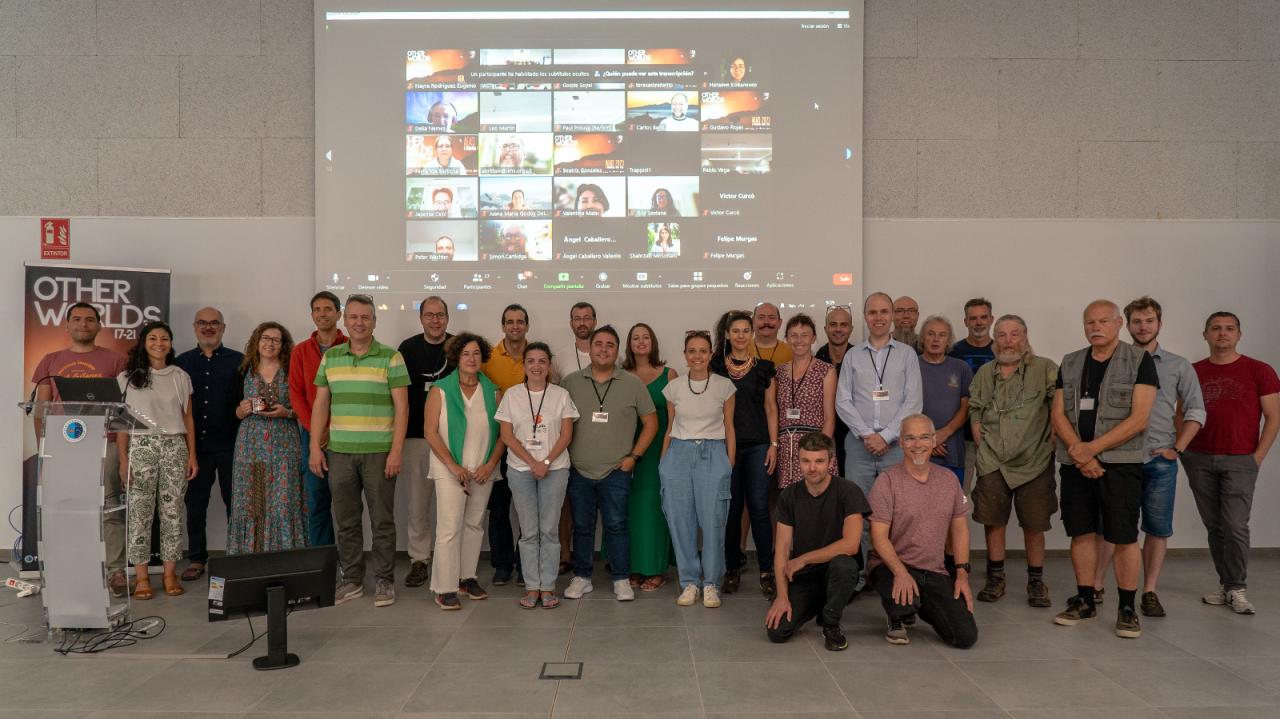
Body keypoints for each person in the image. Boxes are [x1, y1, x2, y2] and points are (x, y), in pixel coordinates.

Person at [1050, 300, 1157, 639]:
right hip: (1075, 465)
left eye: (1102, 321)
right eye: (1089, 322)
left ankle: (1127, 607)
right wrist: (1081, 455)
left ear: (1118, 323)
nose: (1095, 327)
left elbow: (1139, 419)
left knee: (1123, 535)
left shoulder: (1139, 361)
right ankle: (1084, 600)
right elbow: (1058, 414)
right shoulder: (1070, 362)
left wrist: (1091, 450)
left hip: (1120, 465)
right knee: (1080, 532)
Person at [1092, 297, 1205, 616]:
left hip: (1159, 460)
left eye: (1149, 321)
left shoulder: (1178, 365)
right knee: (1110, 526)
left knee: (1157, 528)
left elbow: (1196, 409)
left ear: (1159, 323)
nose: (1143, 326)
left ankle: (1150, 591)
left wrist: (1177, 448)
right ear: (1127, 325)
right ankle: (1097, 584)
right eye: (1137, 321)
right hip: (1118, 458)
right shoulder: (1112, 360)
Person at [308, 295, 409, 608]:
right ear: (344, 321)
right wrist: (314, 447)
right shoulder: (332, 358)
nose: (359, 322)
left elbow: (402, 408)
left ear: (374, 321)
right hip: (339, 452)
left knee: (382, 520)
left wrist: (396, 452)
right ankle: (352, 579)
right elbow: (321, 404)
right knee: (347, 520)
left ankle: (384, 580)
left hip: (379, 453)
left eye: (365, 317)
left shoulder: (391, 358)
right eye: (353, 317)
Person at [1183, 311, 1279, 615]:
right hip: (1198, 457)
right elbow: (1180, 411)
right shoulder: (1193, 371)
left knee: (1235, 524)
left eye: (1229, 329)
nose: (1222, 334)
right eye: (1215, 328)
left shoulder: (1259, 370)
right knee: (1215, 526)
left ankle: (1237, 587)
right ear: (1205, 334)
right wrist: (1180, 447)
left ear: (1239, 334)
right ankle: (1226, 585)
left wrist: (1258, 456)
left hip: (1241, 458)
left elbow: (1274, 416)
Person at [31, 302, 129, 596]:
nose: (83, 324)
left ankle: (115, 572)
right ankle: (70, 568)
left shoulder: (116, 361)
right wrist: (44, 451)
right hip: (64, 446)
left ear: (99, 326)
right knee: (67, 509)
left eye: (89, 320)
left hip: (106, 444)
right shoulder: (50, 360)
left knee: (110, 507)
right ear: (67, 325)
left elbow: (124, 408)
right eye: (77, 319)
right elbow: (40, 410)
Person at [561, 326, 659, 601]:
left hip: (617, 470)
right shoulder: (570, 382)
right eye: (599, 344)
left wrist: (634, 457)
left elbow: (651, 423)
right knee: (581, 526)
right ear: (589, 349)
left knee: (616, 525)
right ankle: (582, 578)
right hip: (579, 470)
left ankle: (621, 578)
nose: (604, 349)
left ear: (617, 351)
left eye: (610, 345)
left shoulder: (632, 383)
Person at [968, 315, 1059, 608]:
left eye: (1014, 334)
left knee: (1034, 523)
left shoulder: (1045, 369)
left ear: (1025, 335)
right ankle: (996, 578)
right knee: (993, 520)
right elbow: (976, 411)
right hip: (993, 459)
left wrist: (1053, 442)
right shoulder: (984, 372)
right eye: (1002, 335)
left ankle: (1036, 581)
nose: (1008, 340)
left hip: (1034, 460)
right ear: (995, 339)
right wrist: (983, 446)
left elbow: (1057, 408)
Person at [868, 414, 978, 648]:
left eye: (924, 437)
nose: (917, 445)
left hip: (933, 569)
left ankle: (917, 603)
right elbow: (878, 538)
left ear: (934, 440)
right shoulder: (887, 481)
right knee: (902, 602)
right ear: (900, 442)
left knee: (965, 637)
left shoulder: (949, 480)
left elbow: (959, 530)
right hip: (891, 565)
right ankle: (900, 612)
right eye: (910, 438)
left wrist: (961, 575)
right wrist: (901, 573)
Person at [836, 292, 923, 577]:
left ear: (893, 317)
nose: (879, 317)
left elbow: (913, 402)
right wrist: (866, 434)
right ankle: (858, 578)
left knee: (897, 514)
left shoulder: (907, 355)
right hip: (859, 447)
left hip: (896, 447)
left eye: (884, 312)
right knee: (857, 516)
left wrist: (885, 436)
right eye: (873, 312)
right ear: (865, 316)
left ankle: (896, 575)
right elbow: (843, 401)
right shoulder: (852, 356)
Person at [765, 432, 869, 650]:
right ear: (799, 462)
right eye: (806, 461)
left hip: (836, 571)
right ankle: (817, 604)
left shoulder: (848, 491)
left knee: (844, 565)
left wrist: (803, 559)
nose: (812, 468)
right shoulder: (789, 496)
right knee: (777, 631)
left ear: (831, 462)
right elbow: (782, 549)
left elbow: (851, 544)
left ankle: (830, 622)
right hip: (805, 576)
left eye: (819, 461)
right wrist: (782, 596)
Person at [117, 321, 197, 600]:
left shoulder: (180, 376)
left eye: (164, 338)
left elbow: (188, 417)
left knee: (172, 511)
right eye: (153, 338)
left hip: (174, 445)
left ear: (171, 343)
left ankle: (169, 573)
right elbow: (122, 423)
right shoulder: (128, 376)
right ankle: (141, 577)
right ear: (143, 342)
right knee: (140, 512)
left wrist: (192, 455)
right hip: (141, 445)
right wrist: (123, 458)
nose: (159, 343)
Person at [425, 333, 505, 610]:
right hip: (450, 469)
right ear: (456, 358)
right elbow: (430, 432)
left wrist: (489, 465)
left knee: (473, 525)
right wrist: (453, 466)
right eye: (466, 354)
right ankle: (444, 587)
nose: (472, 359)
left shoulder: (493, 391)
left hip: (482, 469)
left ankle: (466, 578)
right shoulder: (441, 389)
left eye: (476, 354)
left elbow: (503, 435)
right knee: (449, 528)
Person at [497, 342, 578, 609]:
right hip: (521, 470)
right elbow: (507, 436)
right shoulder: (512, 395)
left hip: (554, 469)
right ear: (524, 365)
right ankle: (532, 586)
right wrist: (533, 462)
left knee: (550, 530)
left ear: (549, 366)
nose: (536, 366)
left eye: (542, 361)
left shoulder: (561, 395)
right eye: (531, 361)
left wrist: (545, 462)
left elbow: (567, 435)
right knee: (530, 531)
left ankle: (548, 586)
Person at [711, 310, 778, 598]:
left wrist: (774, 445)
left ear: (751, 334)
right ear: (727, 334)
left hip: (759, 445)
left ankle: (767, 571)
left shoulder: (765, 368)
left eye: (745, 331)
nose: (740, 336)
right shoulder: (716, 368)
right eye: (735, 331)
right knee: (732, 511)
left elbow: (771, 408)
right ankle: (732, 569)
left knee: (760, 509)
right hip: (727, 447)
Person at [175, 307, 243, 582]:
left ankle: (236, 555)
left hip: (231, 446)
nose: (208, 328)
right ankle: (197, 558)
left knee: (235, 504)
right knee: (195, 504)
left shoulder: (239, 361)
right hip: (196, 449)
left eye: (214, 323)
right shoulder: (181, 363)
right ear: (194, 327)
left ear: (223, 328)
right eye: (202, 323)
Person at [227, 322, 306, 555]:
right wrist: (243, 409)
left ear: (283, 345)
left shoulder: (293, 370)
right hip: (250, 445)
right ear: (256, 341)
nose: (270, 343)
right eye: (265, 338)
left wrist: (288, 413)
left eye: (276, 339)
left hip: (285, 444)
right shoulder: (243, 370)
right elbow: (233, 412)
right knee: (254, 501)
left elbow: (305, 408)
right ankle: (253, 557)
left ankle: (285, 558)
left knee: (284, 501)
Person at [398, 296, 455, 589]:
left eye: (440, 315)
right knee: (418, 505)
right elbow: (398, 395)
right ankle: (419, 560)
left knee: (451, 505)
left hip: (452, 442)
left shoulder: (459, 348)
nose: (435, 320)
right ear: (421, 319)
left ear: (448, 318)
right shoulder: (407, 349)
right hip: (417, 439)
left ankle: (451, 560)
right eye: (430, 315)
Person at [289, 291, 347, 547]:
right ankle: (323, 560)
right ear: (312, 315)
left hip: (345, 434)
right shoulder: (301, 351)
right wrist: (314, 430)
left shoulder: (350, 346)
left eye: (327, 309)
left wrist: (330, 429)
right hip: (310, 436)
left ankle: (348, 563)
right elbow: (296, 393)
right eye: (317, 309)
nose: (322, 314)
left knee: (347, 503)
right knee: (316, 501)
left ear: (338, 313)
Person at [625, 322, 678, 592]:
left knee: (654, 509)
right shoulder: (621, 373)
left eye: (646, 337)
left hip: (659, 449)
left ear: (653, 341)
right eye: (636, 337)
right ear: (629, 343)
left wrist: (667, 454)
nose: (641, 342)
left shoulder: (669, 375)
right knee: (628, 510)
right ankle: (634, 567)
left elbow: (673, 420)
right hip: (625, 450)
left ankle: (655, 569)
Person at [481, 304, 531, 584]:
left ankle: (525, 565)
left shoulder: (536, 357)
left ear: (527, 325)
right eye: (509, 322)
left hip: (531, 445)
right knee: (499, 509)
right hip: (498, 442)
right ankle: (502, 564)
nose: (515, 326)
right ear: (502, 326)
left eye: (520, 321)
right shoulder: (488, 357)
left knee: (527, 509)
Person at [775, 314, 836, 489]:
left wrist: (819, 452)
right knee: (790, 504)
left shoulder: (826, 370)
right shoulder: (778, 372)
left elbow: (830, 417)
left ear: (814, 338)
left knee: (818, 501)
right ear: (786, 339)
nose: (799, 340)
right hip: (787, 447)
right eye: (793, 335)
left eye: (804, 335)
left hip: (815, 447)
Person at [917, 316, 972, 484]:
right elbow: (904, 408)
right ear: (922, 338)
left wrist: (943, 434)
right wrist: (928, 440)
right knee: (917, 506)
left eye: (942, 335)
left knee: (951, 506)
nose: (936, 339)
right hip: (918, 451)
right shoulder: (911, 365)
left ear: (948, 340)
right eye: (931, 334)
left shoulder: (961, 368)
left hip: (952, 451)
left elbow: (967, 407)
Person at [950, 298, 995, 491]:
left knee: (991, 497)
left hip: (993, 436)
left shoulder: (1001, 350)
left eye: (983, 317)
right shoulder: (954, 352)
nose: (979, 322)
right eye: (973, 318)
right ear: (965, 321)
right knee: (959, 495)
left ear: (991, 319)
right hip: (962, 437)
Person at [816, 305, 854, 474]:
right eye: (833, 324)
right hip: (823, 434)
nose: (838, 329)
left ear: (851, 329)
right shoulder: (816, 358)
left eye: (843, 325)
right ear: (825, 329)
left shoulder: (859, 357)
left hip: (853, 435)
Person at [554, 302, 596, 382]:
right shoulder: (559, 358)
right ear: (571, 323)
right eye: (577, 319)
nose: (582, 323)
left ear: (595, 322)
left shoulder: (610, 356)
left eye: (587, 318)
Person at [750, 301, 792, 366]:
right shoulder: (741, 349)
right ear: (753, 321)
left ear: (779, 323)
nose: (766, 322)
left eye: (771, 317)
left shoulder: (792, 352)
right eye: (761, 317)